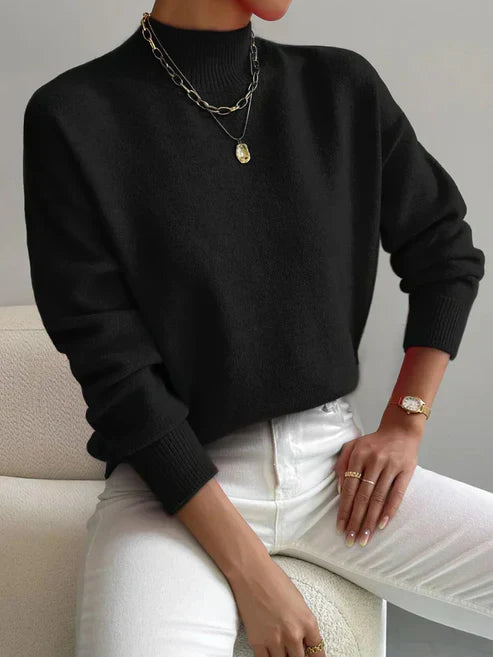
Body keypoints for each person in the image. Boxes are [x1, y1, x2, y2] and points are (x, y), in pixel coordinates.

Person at [22, 1, 491, 655]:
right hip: (172, 490)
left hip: (333, 471)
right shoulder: (74, 116)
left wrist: (405, 421)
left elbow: (444, 251)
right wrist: (253, 574)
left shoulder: (341, 88)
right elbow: (116, 374)